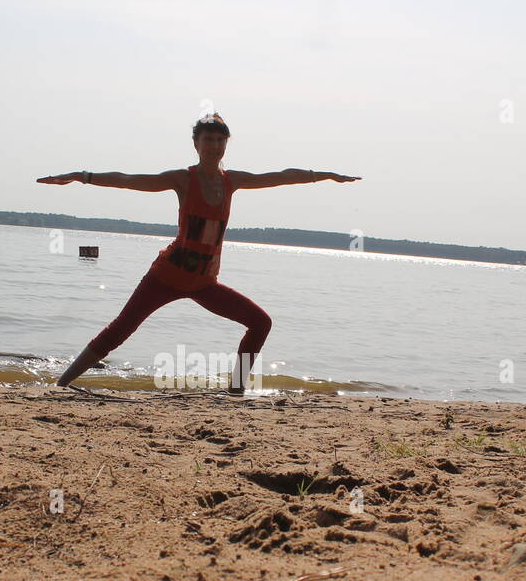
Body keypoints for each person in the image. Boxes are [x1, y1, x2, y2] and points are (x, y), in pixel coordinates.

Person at [38, 113, 360, 394]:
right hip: (166, 276)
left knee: (260, 323)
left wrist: (325, 175)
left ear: (226, 145)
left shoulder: (231, 182)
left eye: (221, 140)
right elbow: (129, 181)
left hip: (204, 283)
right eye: (208, 139)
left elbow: (281, 176)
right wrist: (83, 176)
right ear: (196, 143)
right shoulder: (183, 179)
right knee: (120, 330)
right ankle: (61, 385)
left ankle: (235, 389)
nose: (214, 146)